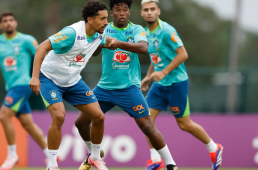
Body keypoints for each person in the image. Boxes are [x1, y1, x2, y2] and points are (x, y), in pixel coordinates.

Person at [75, 1, 178, 170]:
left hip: (129, 89)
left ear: (129, 12)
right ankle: (93, 155)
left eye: (125, 10)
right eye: (117, 10)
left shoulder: (136, 29)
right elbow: (93, 53)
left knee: (147, 126)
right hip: (104, 89)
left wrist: (118, 43)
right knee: (80, 122)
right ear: (112, 13)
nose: (121, 13)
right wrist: (100, 42)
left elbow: (144, 48)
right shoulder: (104, 28)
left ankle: (171, 165)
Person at [140, 0, 224, 170]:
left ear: (158, 11)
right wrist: (148, 76)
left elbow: (183, 54)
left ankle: (214, 148)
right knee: (145, 120)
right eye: (146, 9)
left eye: (152, 9)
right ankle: (155, 159)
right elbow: (156, 56)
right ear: (141, 13)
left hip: (176, 83)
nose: (149, 12)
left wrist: (163, 72)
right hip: (159, 84)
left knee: (184, 124)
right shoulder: (144, 34)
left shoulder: (167, 31)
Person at [28, 1, 112, 170]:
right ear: (90, 19)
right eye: (102, 18)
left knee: (99, 117)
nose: (106, 22)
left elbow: (103, 44)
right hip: (49, 79)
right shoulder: (71, 33)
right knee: (59, 116)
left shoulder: (100, 34)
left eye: (107, 18)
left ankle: (94, 158)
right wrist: (35, 77)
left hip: (73, 81)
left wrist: (110, 44)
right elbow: (41, 48)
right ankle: (52, 165)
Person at [0, 12, 60, 170]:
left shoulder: (26, 40)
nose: (8, 23)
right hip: (11, 88)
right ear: (1, 25)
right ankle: (50, 154)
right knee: (28, 124)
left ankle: (12, 154)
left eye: (11, 20)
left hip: (24, 84)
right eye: (5, 21)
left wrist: (42, 78)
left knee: (3, 115)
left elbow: (42, 55)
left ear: (15, 23)